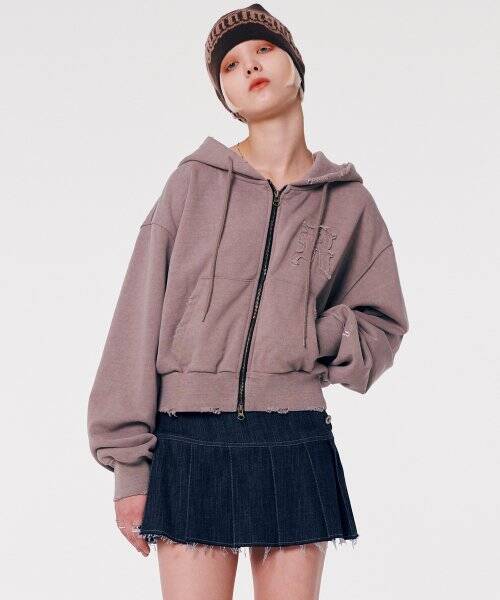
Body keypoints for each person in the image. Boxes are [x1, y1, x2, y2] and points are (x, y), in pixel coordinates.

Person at [87, 3, 409, 599]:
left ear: (296, 68)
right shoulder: (193, 182)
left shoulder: (348, 201)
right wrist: (130, 466)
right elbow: (136, 316)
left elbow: (382, 326)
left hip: (295, 437)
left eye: (262, 50)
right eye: (230, 66)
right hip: (188, 438)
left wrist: (307, 334)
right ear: (227, 98)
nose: (249, 67)